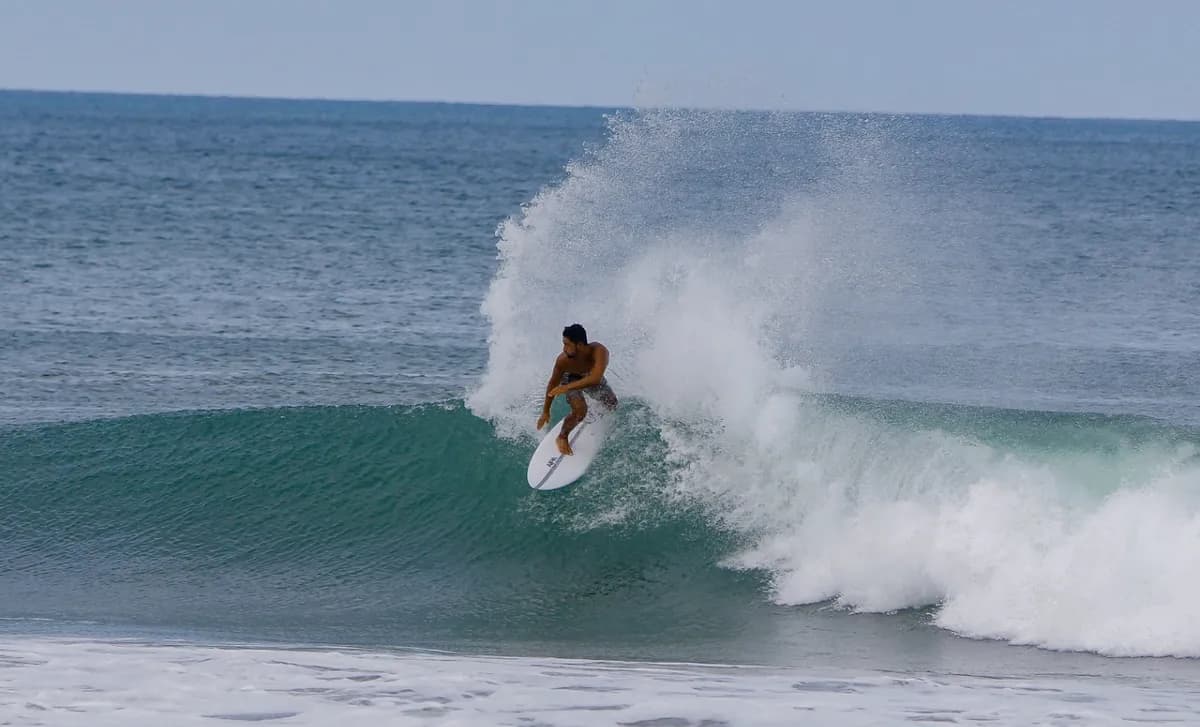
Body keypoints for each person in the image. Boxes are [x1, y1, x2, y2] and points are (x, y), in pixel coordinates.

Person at [536, 323, 619, 455]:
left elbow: (596, 378)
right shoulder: (563, 361)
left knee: (612, 403)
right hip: (570, 378)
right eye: (563, 344)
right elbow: (552, 384)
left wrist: (565, 388)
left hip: (589, 375)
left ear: (580, 345)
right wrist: (546, 411)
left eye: (567, 345)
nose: (564, 349)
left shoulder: (599, 351)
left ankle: (592, 413)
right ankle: (562, 437)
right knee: (581, 411)